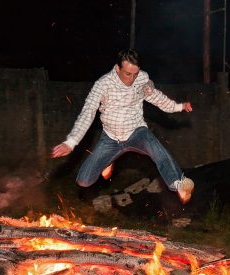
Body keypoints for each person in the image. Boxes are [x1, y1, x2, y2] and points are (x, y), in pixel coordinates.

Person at [51, 49, 194, 204]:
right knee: (84, 181)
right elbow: (87, 113)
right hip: (111, 138)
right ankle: (109, 160)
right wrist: (71, 142)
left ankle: (179, 183)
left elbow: (157, 98)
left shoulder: (142, 79)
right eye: (128, 74)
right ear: (117, 68)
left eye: (135, 74)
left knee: (156, 148)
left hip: (136, 132)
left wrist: (178, 106)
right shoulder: (103, 85)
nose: (132, 79)